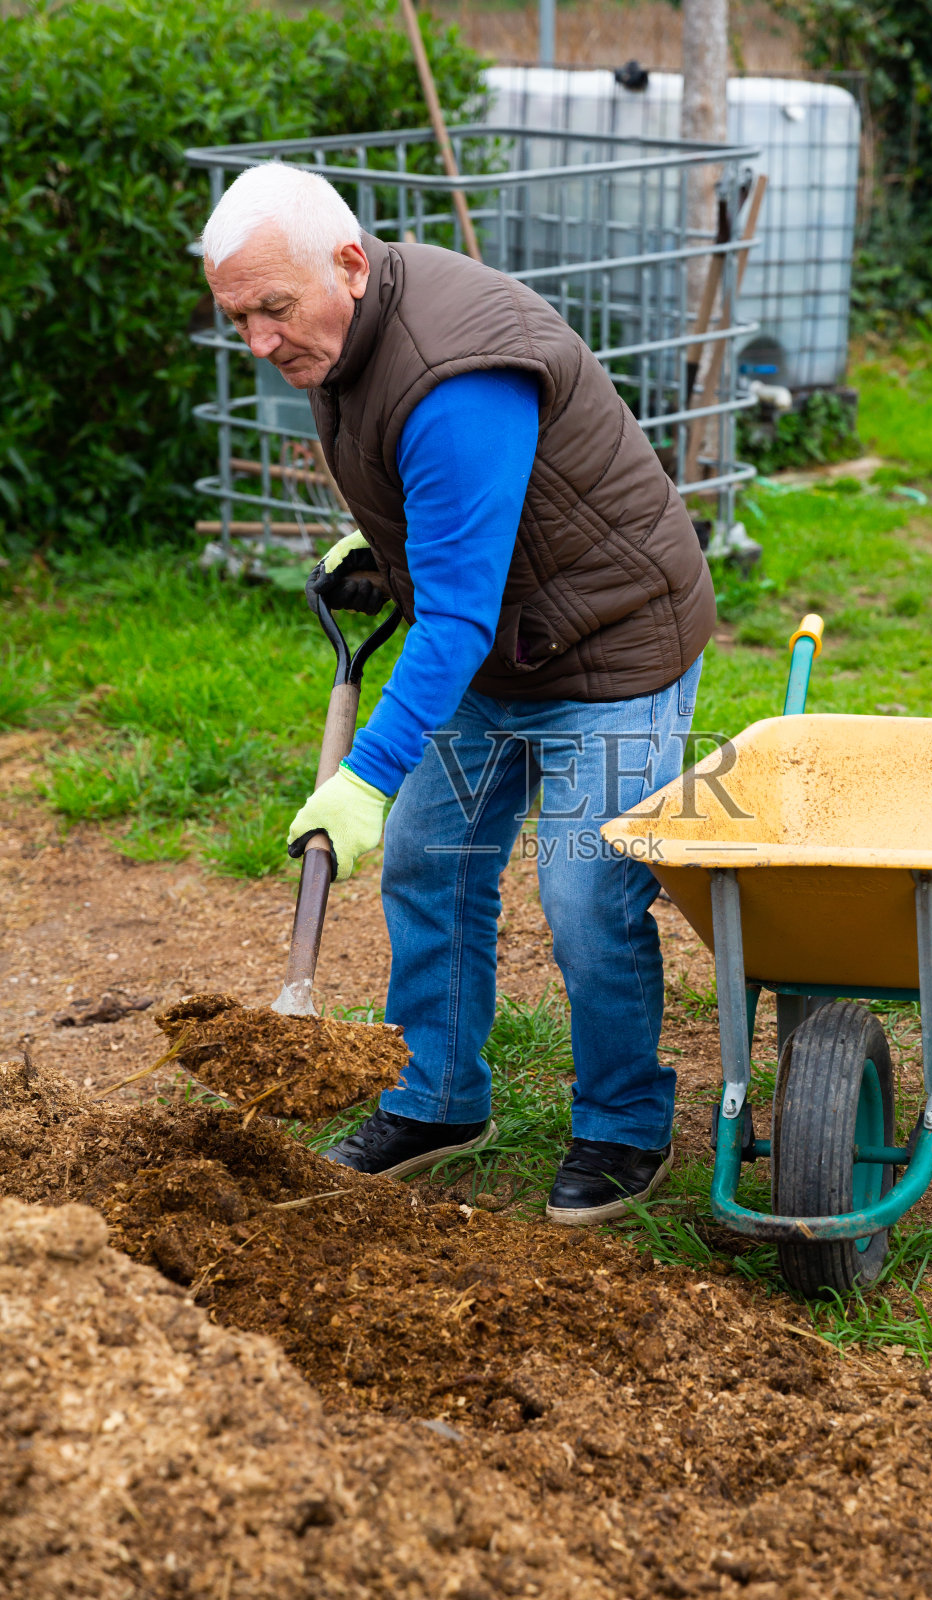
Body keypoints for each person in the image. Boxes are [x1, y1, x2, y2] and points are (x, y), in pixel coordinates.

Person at [201, 162, 714, 1224]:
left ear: (348, 263)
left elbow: (456, 616)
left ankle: (623, 1120)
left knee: (584, 898)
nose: (258, 341)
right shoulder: (345, 330)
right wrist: (385, 544)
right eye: (237, 315)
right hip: (498, 646)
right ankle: (436, 1100)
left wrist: (363, 778)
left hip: (612, 647)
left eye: (272, 309)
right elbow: (450, 514)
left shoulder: (453, 366)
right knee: (433, 863)